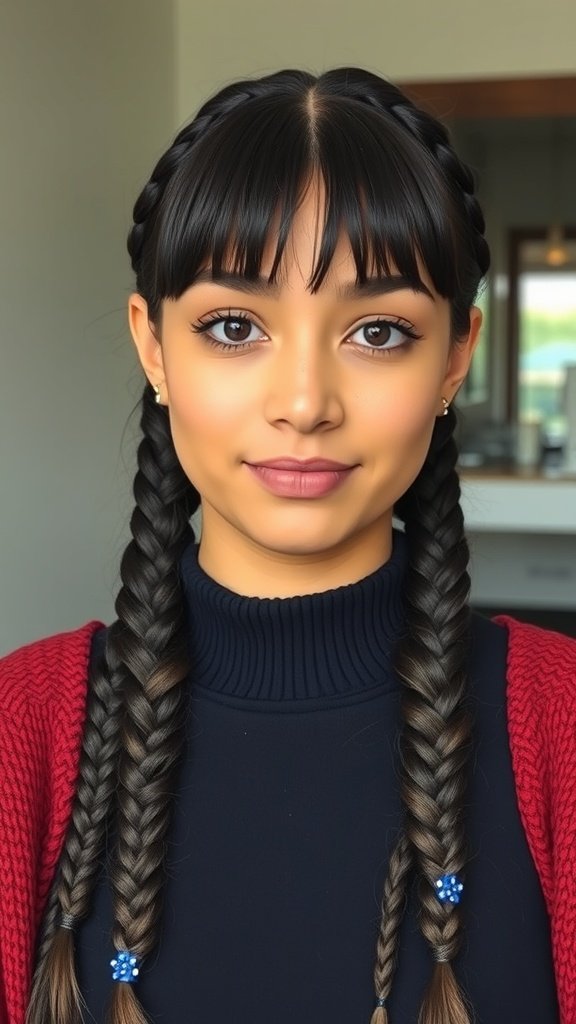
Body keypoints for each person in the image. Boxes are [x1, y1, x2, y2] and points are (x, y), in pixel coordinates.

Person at [0, 67, 574, 1024]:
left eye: (380, 331)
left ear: (456, 358)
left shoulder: (560, 725)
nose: (304, 402)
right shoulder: (24, 730)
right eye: (234, 326)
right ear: (154, 348)